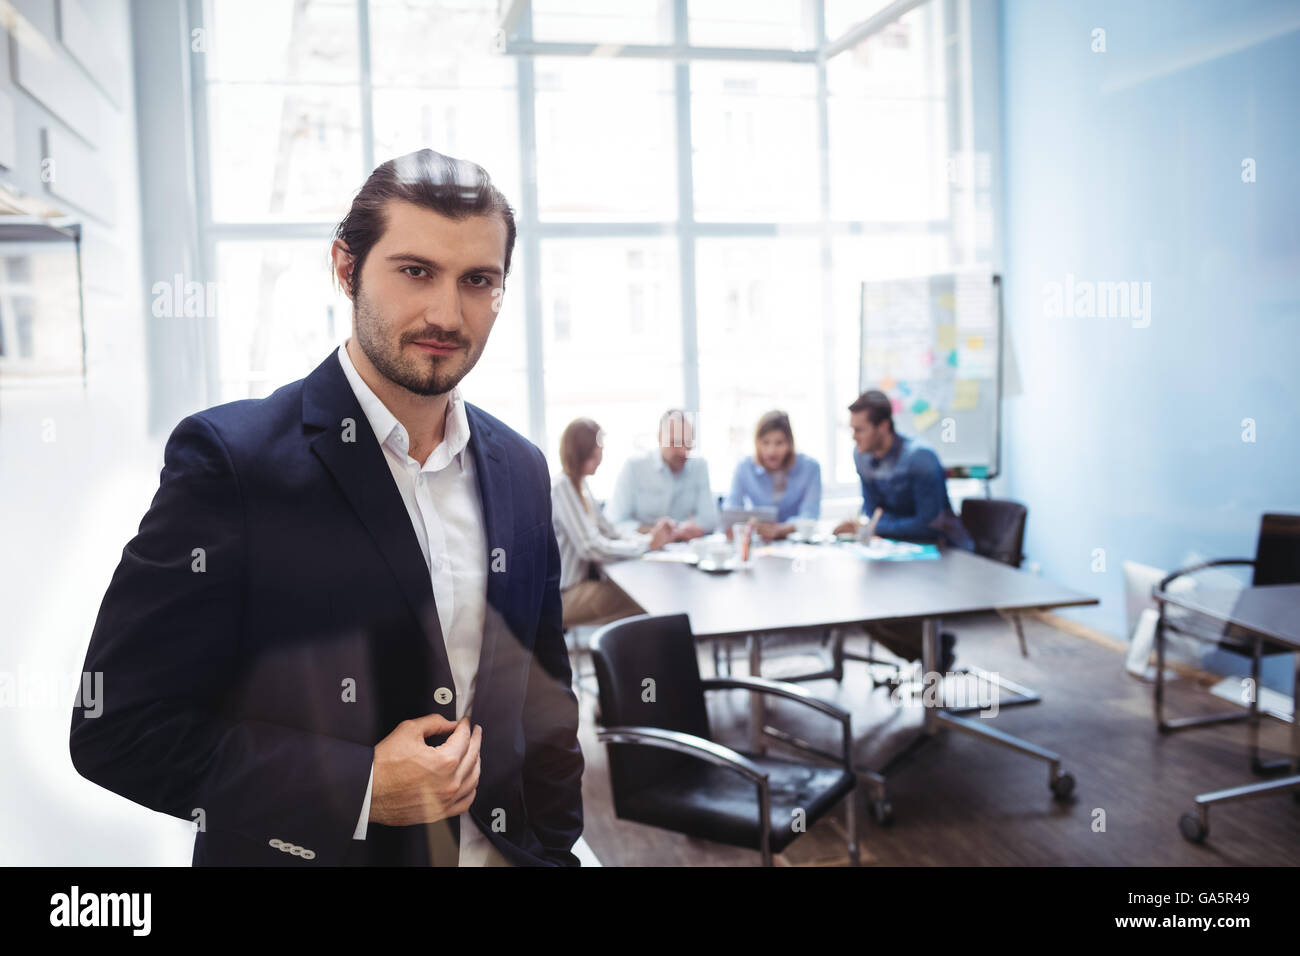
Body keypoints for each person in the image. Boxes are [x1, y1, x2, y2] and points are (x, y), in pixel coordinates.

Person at [69, 148, 583, 867]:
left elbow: (545, 699)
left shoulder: (523, 467)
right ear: (346, 268)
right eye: (415, 271)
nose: (446, 312)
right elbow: (118, 728)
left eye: (477, 281)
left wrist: (557, 851)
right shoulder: (231, 463)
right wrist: (361, 787)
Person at [833, 389, 974, 670]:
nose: (854, 437)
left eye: (859, 430)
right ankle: (932, 651)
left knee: (877, 606)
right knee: (857, 604)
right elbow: (873, 512)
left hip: (942, 553)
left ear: (883, 426)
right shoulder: (861, 456)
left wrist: (871, 529)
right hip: (895, 552)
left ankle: (933, 653)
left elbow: (929, 524)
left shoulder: (920, 458)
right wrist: (865, 530)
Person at [552, 418, 672, 629]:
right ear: (584, 451)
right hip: (566, 595)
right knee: (646, 603)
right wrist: (647, 545)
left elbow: (609, 531)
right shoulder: (563, 487)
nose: (601, 457)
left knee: (647, 600)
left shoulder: (581, 487)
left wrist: (649, 539)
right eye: (599, 450)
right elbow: (591, 547)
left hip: (584, 585)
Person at [606, 408, 716, 540]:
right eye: (675, 443)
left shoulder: (699, 466)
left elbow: (710, 520)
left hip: (685, 549)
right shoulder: (634, 467)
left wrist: (679, 529)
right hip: (643, 549)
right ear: (659, 437)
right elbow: (616, 522)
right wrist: (653, 531)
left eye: (688, 443)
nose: (683, 451)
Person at [724, 410, 821, 540]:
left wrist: (783, 529)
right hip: (759, 541)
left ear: (789, 443)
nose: (772, 451)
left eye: (779, 443)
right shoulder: (744, 467)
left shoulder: (810, 468)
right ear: (757, 443)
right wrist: (740, 527)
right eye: (765, 442)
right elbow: (732, 509)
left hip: (795, 541)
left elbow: (810, 515)